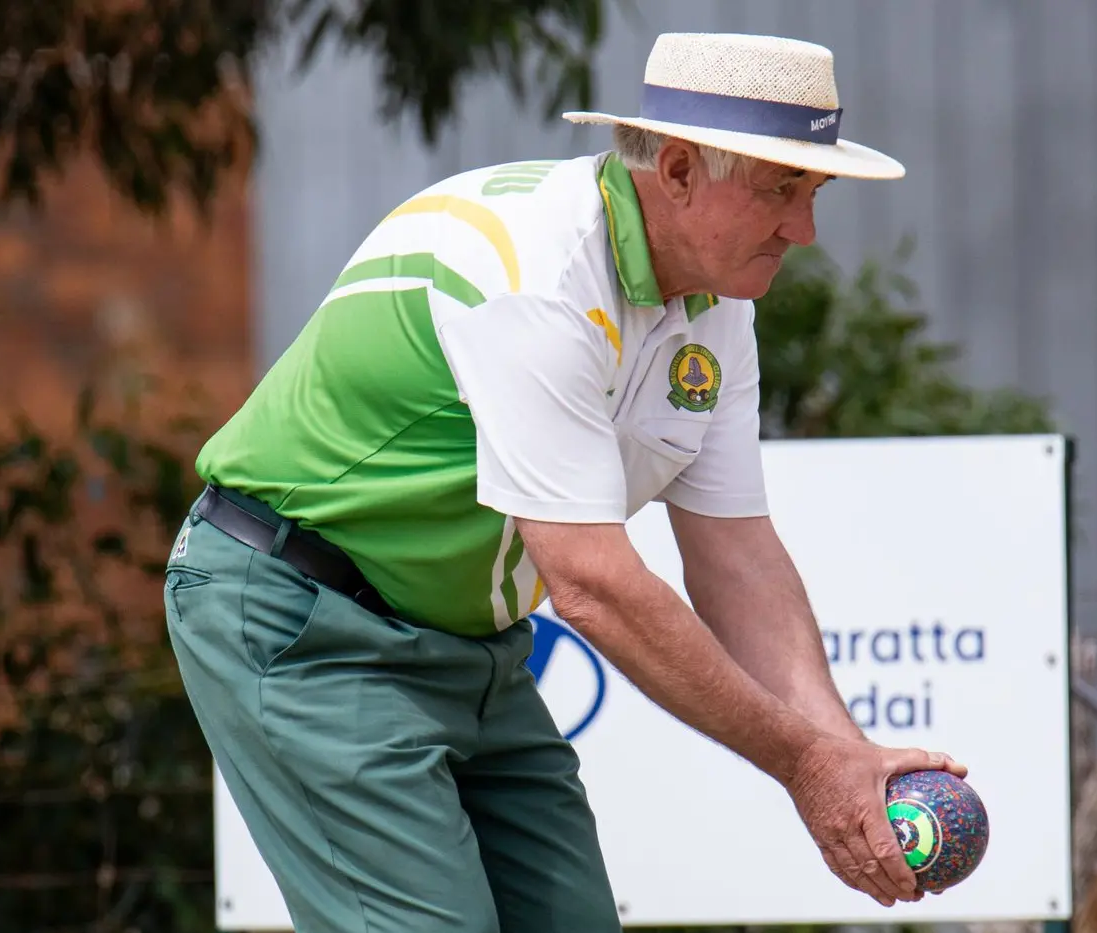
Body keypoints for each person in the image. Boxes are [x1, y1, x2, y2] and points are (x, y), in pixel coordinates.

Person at [164, 30, 966, 933]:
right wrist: (803, 761)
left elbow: (738, 554)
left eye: (812, 190)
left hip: (474, 649)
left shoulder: (719, 306)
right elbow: (591, 586)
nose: (806, 228)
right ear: (675, 172)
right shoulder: (532, 272)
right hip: (303, 618)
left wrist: (847, 756)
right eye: (782, 188)